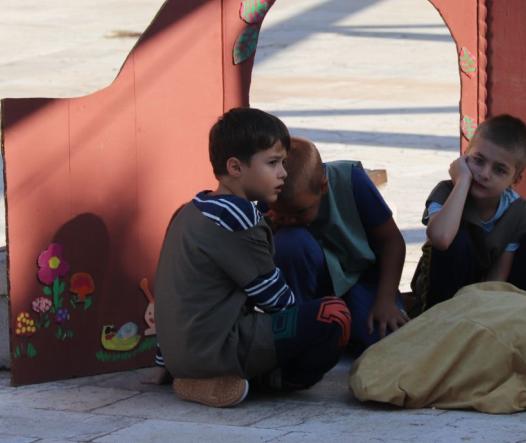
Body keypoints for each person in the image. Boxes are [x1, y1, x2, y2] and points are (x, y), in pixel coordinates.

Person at [151, 108, 351, 407]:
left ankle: (202, 380)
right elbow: (276, 300)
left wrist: (164, 363)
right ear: (235, 167)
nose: (283, 172)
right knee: (334, 315)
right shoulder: (239, 216)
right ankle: (272, 381)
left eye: (283, 163)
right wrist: (305, 326)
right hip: (216, 350)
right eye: (272, 163)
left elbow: (173, 296)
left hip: (179, 356)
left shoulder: (190, 210)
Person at [411, 114, 526, 314]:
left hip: (491, 298)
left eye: (499, 170)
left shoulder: (518, 211)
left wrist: (485, 315)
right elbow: (441, 238)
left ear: (515, 180)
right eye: (478, 160)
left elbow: (498, 277)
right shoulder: (446, 191)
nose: (484, 174)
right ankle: (441, 324)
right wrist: (462, 181)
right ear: (465, 155)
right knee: (456, 238)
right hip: (443, 297)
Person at [265, 137, 409, 350]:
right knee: (289, 242)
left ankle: (334, 328)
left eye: (299, 212)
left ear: (323, 187)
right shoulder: (266, 190)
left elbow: (393, 242)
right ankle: (299, 321)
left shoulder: (352, 181)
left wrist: (385, 300)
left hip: (361, 279)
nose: (288, 219)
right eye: (280, 212)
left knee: (384, 337)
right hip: (313, 284)